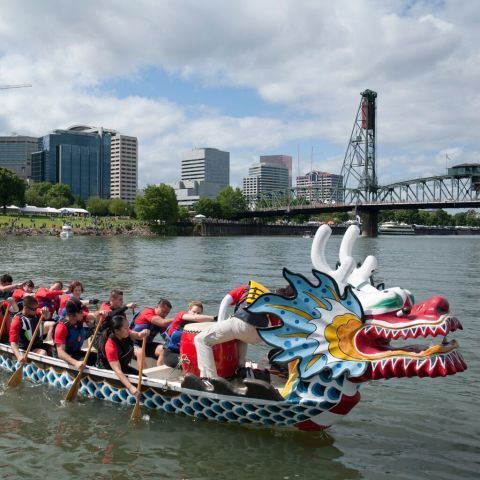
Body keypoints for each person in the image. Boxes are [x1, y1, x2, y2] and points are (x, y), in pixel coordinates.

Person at [194, 280, 280, 379]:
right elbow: (276, 326)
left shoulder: (244, 288)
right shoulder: (269, 297)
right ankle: (241, 369)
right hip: (259, 334)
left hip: (242, 324)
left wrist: (219, 323)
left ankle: (209, 378)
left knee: (201, 340)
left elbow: (225, 301)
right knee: (241, 337)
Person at [95, 315, 149, 399]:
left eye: (128, 327)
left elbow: (139, 335)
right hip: (108, 368)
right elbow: (118, 370)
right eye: (125, 328)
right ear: (117, 331)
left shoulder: (125, 332)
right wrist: (131, 388)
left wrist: (144, 332)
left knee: (143, 378)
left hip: (121, 365)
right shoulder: (110, 345)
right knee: (131, 382)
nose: (128, 330)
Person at [164, 301, 216, 369]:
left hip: (186, 355)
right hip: (171, 353)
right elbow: (195, 318)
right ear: (189, 311)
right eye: (194, 312)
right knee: (187, 362)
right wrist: (214, 318)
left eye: (198, 313)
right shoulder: (181, 314)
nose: (196, 314)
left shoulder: (198, 327)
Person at [9, 295, 52, 362]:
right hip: (26, 348)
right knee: (43, 353)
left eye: (36, 308)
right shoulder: (17, 320)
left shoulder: (35, 313)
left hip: (38, 343)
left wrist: (46, 312)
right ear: (25, 308)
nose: (36, 311)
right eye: (33, 309)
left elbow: (47, 316)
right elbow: (13, 342)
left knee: (53, 348)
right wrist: (19, 356)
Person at [132, 299, 173, 365]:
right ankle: (144, 375)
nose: (164, 315)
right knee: (141, 353)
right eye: (163, 311)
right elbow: (162, 322)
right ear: (157, 307)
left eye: (167, 313)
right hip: (132, 343)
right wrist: (177, 318)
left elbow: (167, 337)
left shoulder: (162, 322)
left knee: (164, 350)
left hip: (147, 344)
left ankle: (159, 372)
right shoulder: (147, 312)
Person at [53, 297, 88, 370]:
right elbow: (60, 353)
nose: (83, 313)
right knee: (83, 361)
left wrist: (101, 314)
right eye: (81, 312)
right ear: (72, 315)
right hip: (63, 357)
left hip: (75, 353)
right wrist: (76, 363)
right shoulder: (61, 327)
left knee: (93, 358)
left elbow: (94, 316)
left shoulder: (78, 319)